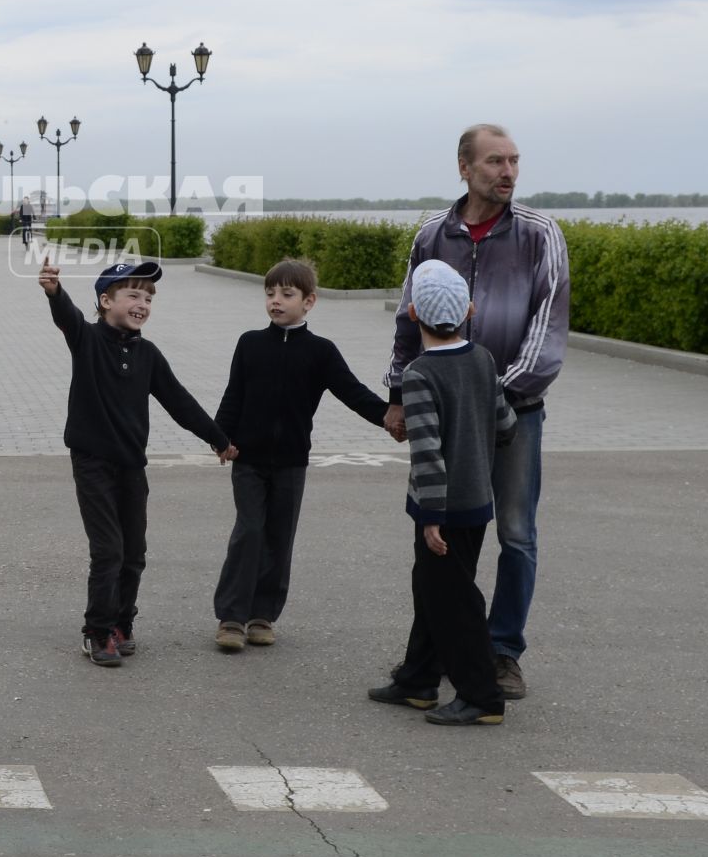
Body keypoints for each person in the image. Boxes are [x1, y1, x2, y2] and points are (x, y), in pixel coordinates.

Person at [382, 123, 568, 701]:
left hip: (516, 415)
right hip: (445, 414)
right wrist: (396, 393)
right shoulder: (433, 234)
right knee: (442, 534)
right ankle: (434, 657)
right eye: (494, 162)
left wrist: (493, 398)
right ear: (464, 167)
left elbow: (548, 327)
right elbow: (408, 317)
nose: (507, 172)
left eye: (514, 161)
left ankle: (503, 651)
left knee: (515, 534)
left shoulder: (540, 234)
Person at [39, 256, 234, 667]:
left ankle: (122, 623)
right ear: (106, 300)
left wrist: (217, 438)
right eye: (133, 294)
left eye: (148, 297)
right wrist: (54, 291)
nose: (142, 302)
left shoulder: (148, 354)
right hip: (92, 463)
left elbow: (178, 400)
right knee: (108, 549)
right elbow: (68, 317)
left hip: (131, 466)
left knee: (134, 552)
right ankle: (97, 630)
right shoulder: (87, 339)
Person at [210, 257, 389, 652]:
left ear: (309, 301)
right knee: (249, 531)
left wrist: (390, 418)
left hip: (292, 462)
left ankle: (262, 616)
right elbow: (233, 393)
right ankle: (232, 617)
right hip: (249, 459)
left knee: (279, 536)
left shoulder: (321, 352)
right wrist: (220, 437)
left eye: (286, 294)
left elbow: (353, 392)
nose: (276, 301)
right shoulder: (249, 343)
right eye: (270, 293)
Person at [368, 260, 517, 726]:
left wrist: (431, 516)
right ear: (469, 311)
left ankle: (482, 695)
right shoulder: (484, 359)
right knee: (433, 589)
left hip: (442, 509)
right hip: (476, 502)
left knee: (453, 600)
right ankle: (418, 679)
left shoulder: (419, 373)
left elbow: (428, 453)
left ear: (413, 314)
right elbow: (506, 425)